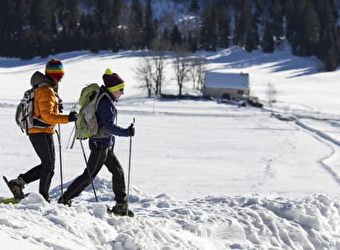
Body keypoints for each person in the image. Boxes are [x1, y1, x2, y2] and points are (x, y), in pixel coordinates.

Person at [58, 69, 135, 216]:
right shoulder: (106, 103)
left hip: (104, 143)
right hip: (100, 144)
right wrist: (126, 132)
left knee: (117, 172)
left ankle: (120, 205)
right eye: (121, 89)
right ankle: (65, 199)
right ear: (113, 89)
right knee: (89, 175)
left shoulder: (106, 99)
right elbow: (109, 126)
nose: (123, 93)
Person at [8, 59, 78, 202]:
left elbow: (45, 112)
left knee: (48, 165)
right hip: (41, 131)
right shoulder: (46, 90)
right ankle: (43, 197)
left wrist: (57, 108)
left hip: (39, 131)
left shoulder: (42, 88)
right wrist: (68, 118)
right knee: (48, 166)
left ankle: (19, 183)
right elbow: (48, 117)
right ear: (54, 76)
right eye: (59, 75)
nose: (61, 78)